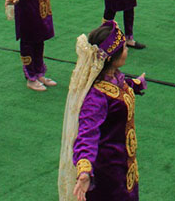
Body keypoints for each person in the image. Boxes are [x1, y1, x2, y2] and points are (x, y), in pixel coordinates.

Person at [59, 20, 146, 201]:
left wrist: (136, 84)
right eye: (124, 48)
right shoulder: (96, 98)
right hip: (108, 172)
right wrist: (84, 171)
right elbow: (86, 133)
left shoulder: (113, 78)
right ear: (111, 58)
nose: (127, 50)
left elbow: (121, 87)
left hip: (123, 163)